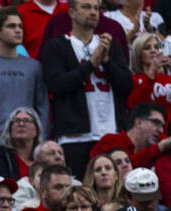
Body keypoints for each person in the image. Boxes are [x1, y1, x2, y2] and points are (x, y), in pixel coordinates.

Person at [40, 0, 132, 177]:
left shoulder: (110, 46)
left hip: (110, 131)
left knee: (114, 188)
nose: (93, 12)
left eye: (96, 8)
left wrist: (106, 61)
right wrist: (91, 64)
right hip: (75, 135)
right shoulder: (57, 46)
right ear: (72, 12)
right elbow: (57, 85)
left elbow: (126, 85)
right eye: (86, 7)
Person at [0, 8, 49, 161]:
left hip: (30, 147)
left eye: (20, 26)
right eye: (11, 26)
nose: (18, 30)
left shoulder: (34, 67)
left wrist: (40, 145)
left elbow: (42, 108)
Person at [127, 32, 171, 124]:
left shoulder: (169, 79)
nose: (153, 51)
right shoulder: (134, 79)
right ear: (138, 55)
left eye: (157, 47)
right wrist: (150, 74)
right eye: (147, 48)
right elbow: (135, 106)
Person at [0, 107, 43, 181]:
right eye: (17, 121)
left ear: (36, 130)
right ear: (10, 129)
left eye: (27, 120)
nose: (21, 124)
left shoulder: (43, 156)